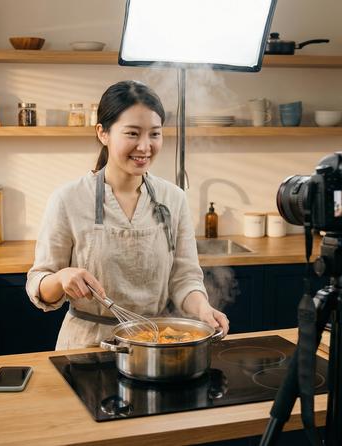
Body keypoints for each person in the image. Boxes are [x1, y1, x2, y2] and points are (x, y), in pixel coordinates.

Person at [26, 80, 230, 350]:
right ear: (103, 133)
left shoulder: (174, 199)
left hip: (153, 345)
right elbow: (39, 283)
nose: (145, 147)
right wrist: (62, 277)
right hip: (86, 348)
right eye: (132, 133)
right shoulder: (68, 199)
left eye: (154, 134)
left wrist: (203, 308)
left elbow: (185, 278)